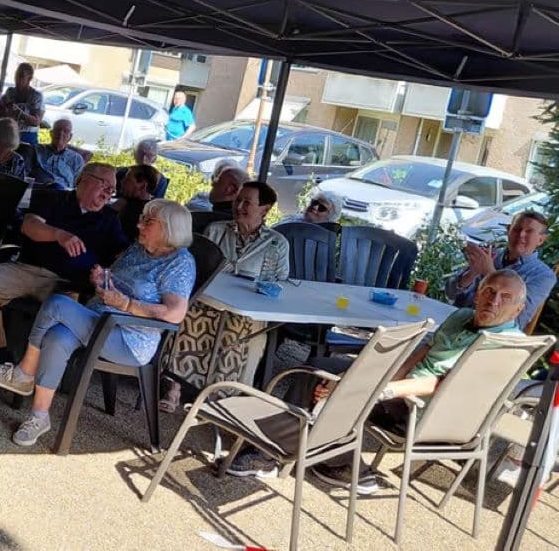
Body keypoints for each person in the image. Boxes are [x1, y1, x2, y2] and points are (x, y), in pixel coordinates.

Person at [230, 270, 530, 489]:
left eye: (505, 298)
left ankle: (325, 463)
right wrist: (374, 377)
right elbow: (422, 352)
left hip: (429, 413)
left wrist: (376, 388)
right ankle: (328, 458)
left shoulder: (507, 344)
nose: (494, 300)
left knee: (345, 390)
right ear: (478, 293)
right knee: (320, 369)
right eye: (489, 291)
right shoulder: (461, 316)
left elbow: (442, 385)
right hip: (406, 390)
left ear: (518, 310)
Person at [0, 199, 196, 446]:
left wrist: (126, 305)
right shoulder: (139, 248)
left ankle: (24, 372)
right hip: (99, 319)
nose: (139, 225)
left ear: (169, 229)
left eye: (148, 221)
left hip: (130, 339)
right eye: (142, 219)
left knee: (57, 303)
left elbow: (175, 313)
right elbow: (117, 281)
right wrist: (102, 279)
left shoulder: (180, 263)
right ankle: (39, 417)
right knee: (56, 336)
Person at [0, 163, 127, 359]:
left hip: (70, 284)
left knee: (66, 321)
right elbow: (29, 225)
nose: (108, 193)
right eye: (105, 185)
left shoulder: (109, 219)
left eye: (112, 189)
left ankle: (37, 368)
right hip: (26, 269)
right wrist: (59, 235)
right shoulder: (53, 197)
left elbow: (122, 254)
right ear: (84, 179)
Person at [161, 181, 289, 403]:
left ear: (265, 209)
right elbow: (199, 266)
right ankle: (174, 387)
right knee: (189, 316)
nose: (239, 206)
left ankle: (223, 395)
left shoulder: (277, 243)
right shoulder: (216, 230)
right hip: (209, 299)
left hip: (247, 307)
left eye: (247, 202)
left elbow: (281, 281)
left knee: (247, 331)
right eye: (238, 200)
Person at [444, 210, 554, 331]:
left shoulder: (543, 276)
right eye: (517, 229)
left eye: (529, 231)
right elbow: (449, 295)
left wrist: (489, 272)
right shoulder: (491, 255)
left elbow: (517, 319)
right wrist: (472, 272)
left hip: (490, 334)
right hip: (458, 321)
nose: (521, 234)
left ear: (541, 240)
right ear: (508, 230)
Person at [0, 62, 44, 145]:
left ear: (29, 78)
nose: (17, 79)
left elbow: (36, 122)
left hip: (27, 136)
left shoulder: (36, 96)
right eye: (16, 75)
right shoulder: (10, 92)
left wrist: (19, 113)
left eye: (21, 76)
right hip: (9, 133)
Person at [112, 164, 161, 242]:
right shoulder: (129, 204)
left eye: (128, 180)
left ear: (143, 186)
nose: (122, 181)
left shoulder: (138, 213)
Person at [34, 118, 84, 189]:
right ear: (51, 133)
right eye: (58, 130)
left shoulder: (77, 159)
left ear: (70, 136)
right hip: (39, 190)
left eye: (66, 131)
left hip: (63, 193)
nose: (61, 133)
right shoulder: (36, 150)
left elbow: (77, 185)